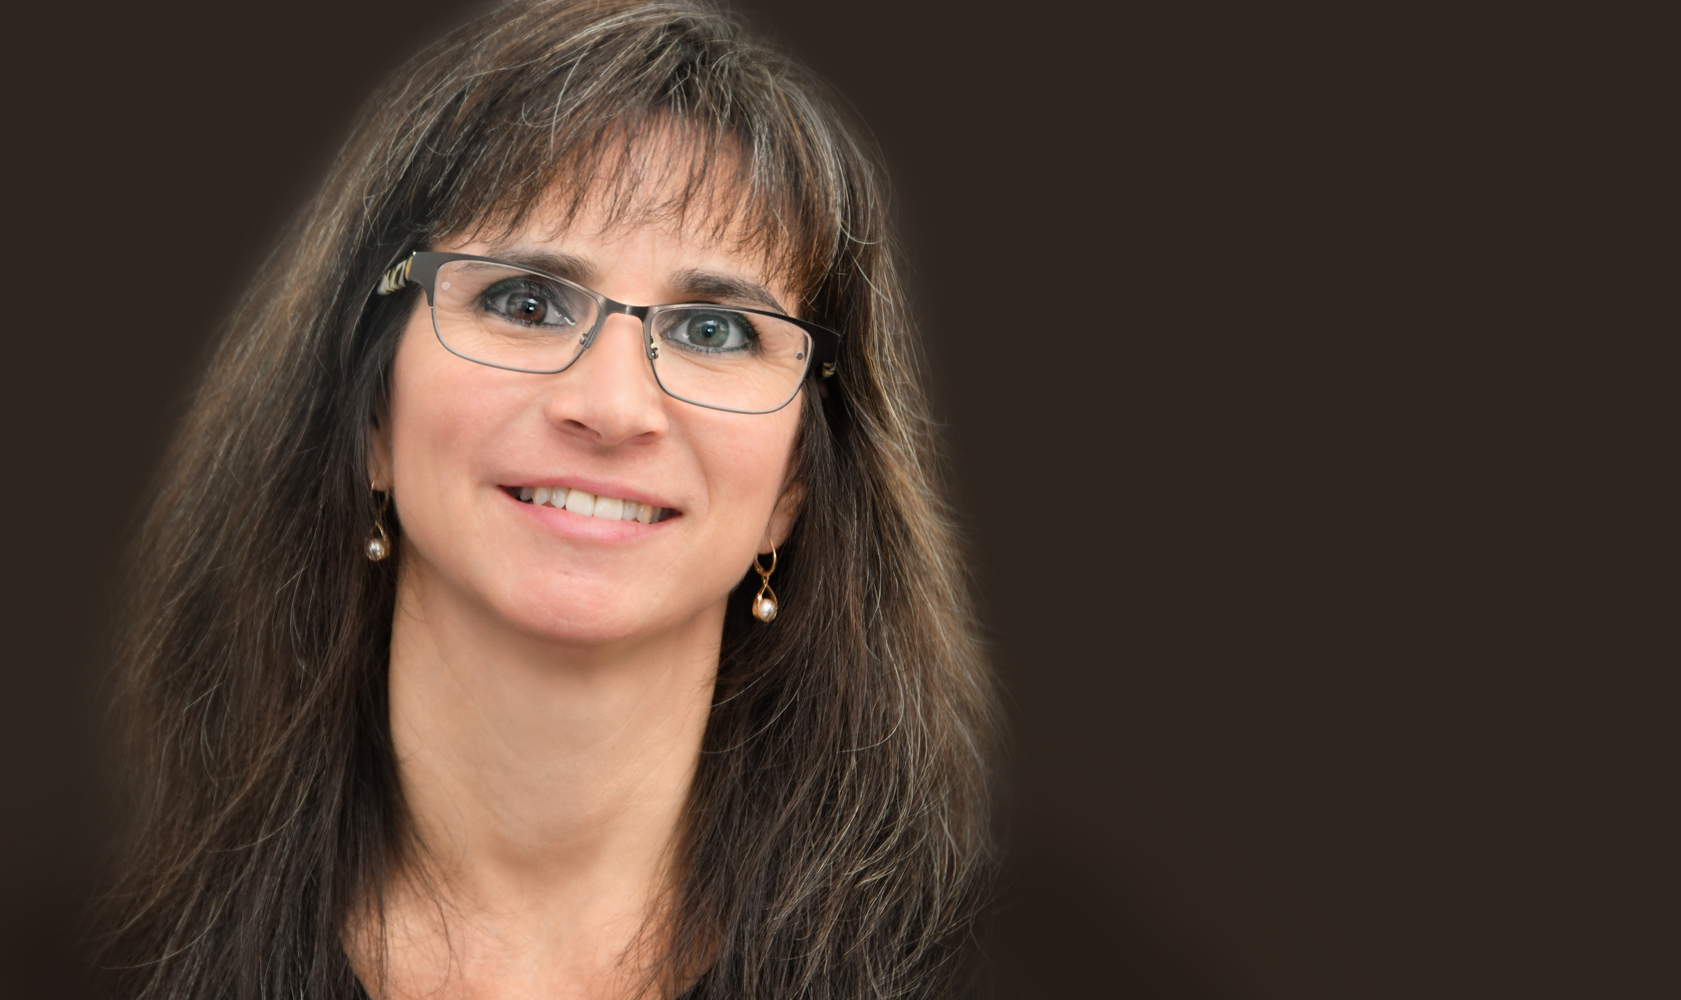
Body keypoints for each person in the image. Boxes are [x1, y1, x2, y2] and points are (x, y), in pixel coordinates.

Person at [95, 2, 997, 998]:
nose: (612, 407)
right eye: (526, 302)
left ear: (792, 483)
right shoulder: (95, 950)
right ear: (369, 414)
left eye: (712, 330)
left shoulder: (997, 965)